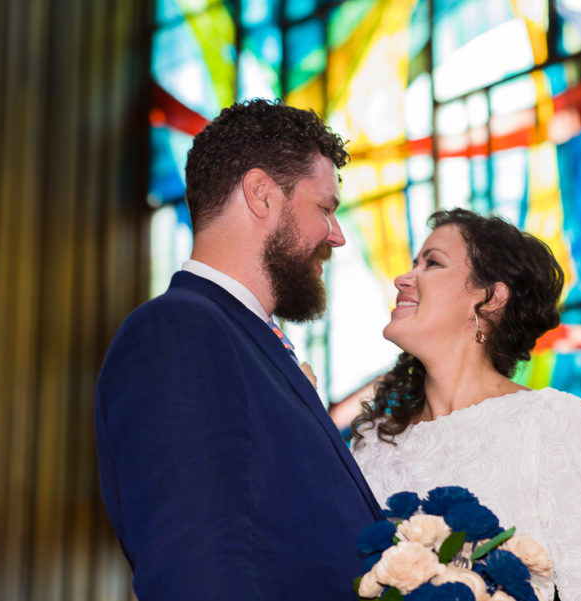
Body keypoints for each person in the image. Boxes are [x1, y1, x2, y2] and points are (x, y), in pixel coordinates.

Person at [95, 99, 380, 601]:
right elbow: (196, 566)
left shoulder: (245, 339)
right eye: (325, 208)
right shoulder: (177, 332)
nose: (336, 236)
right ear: (261, 194)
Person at [350, 208, 581, 600]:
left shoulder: (551, 421)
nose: (403, 278)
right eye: (414, 263)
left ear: (491, 298)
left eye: (432, 263)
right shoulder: (371, 444)